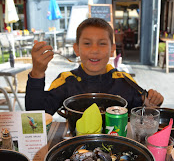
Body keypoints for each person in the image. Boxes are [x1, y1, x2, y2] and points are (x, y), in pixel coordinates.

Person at [25, 18, 164, 115]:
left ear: (112, 49)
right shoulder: (67, 80)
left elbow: (143, 111)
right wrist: (37, 73)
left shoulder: (124, 80)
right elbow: (36, 115)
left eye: (102, 43)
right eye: (87, 43)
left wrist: (152, 103)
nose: (95, 50)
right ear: (77, 49)